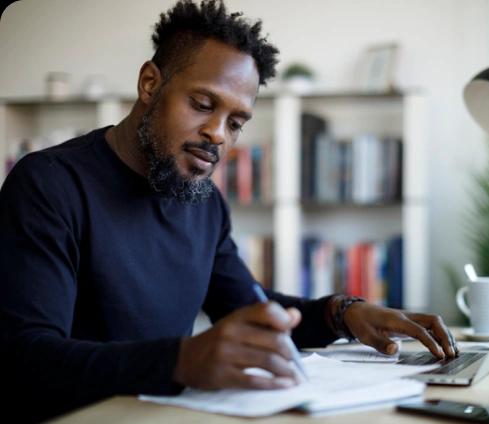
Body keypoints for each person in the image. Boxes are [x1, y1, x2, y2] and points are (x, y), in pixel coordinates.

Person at [0, 0, 457, 421]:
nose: (218, 134)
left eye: (236, 122)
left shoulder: (204, 202)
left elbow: (250, 309)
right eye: (202, 104)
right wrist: (182, 361)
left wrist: (343, 314)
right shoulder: (49, 185)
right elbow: (26, 357)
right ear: (149, 83)